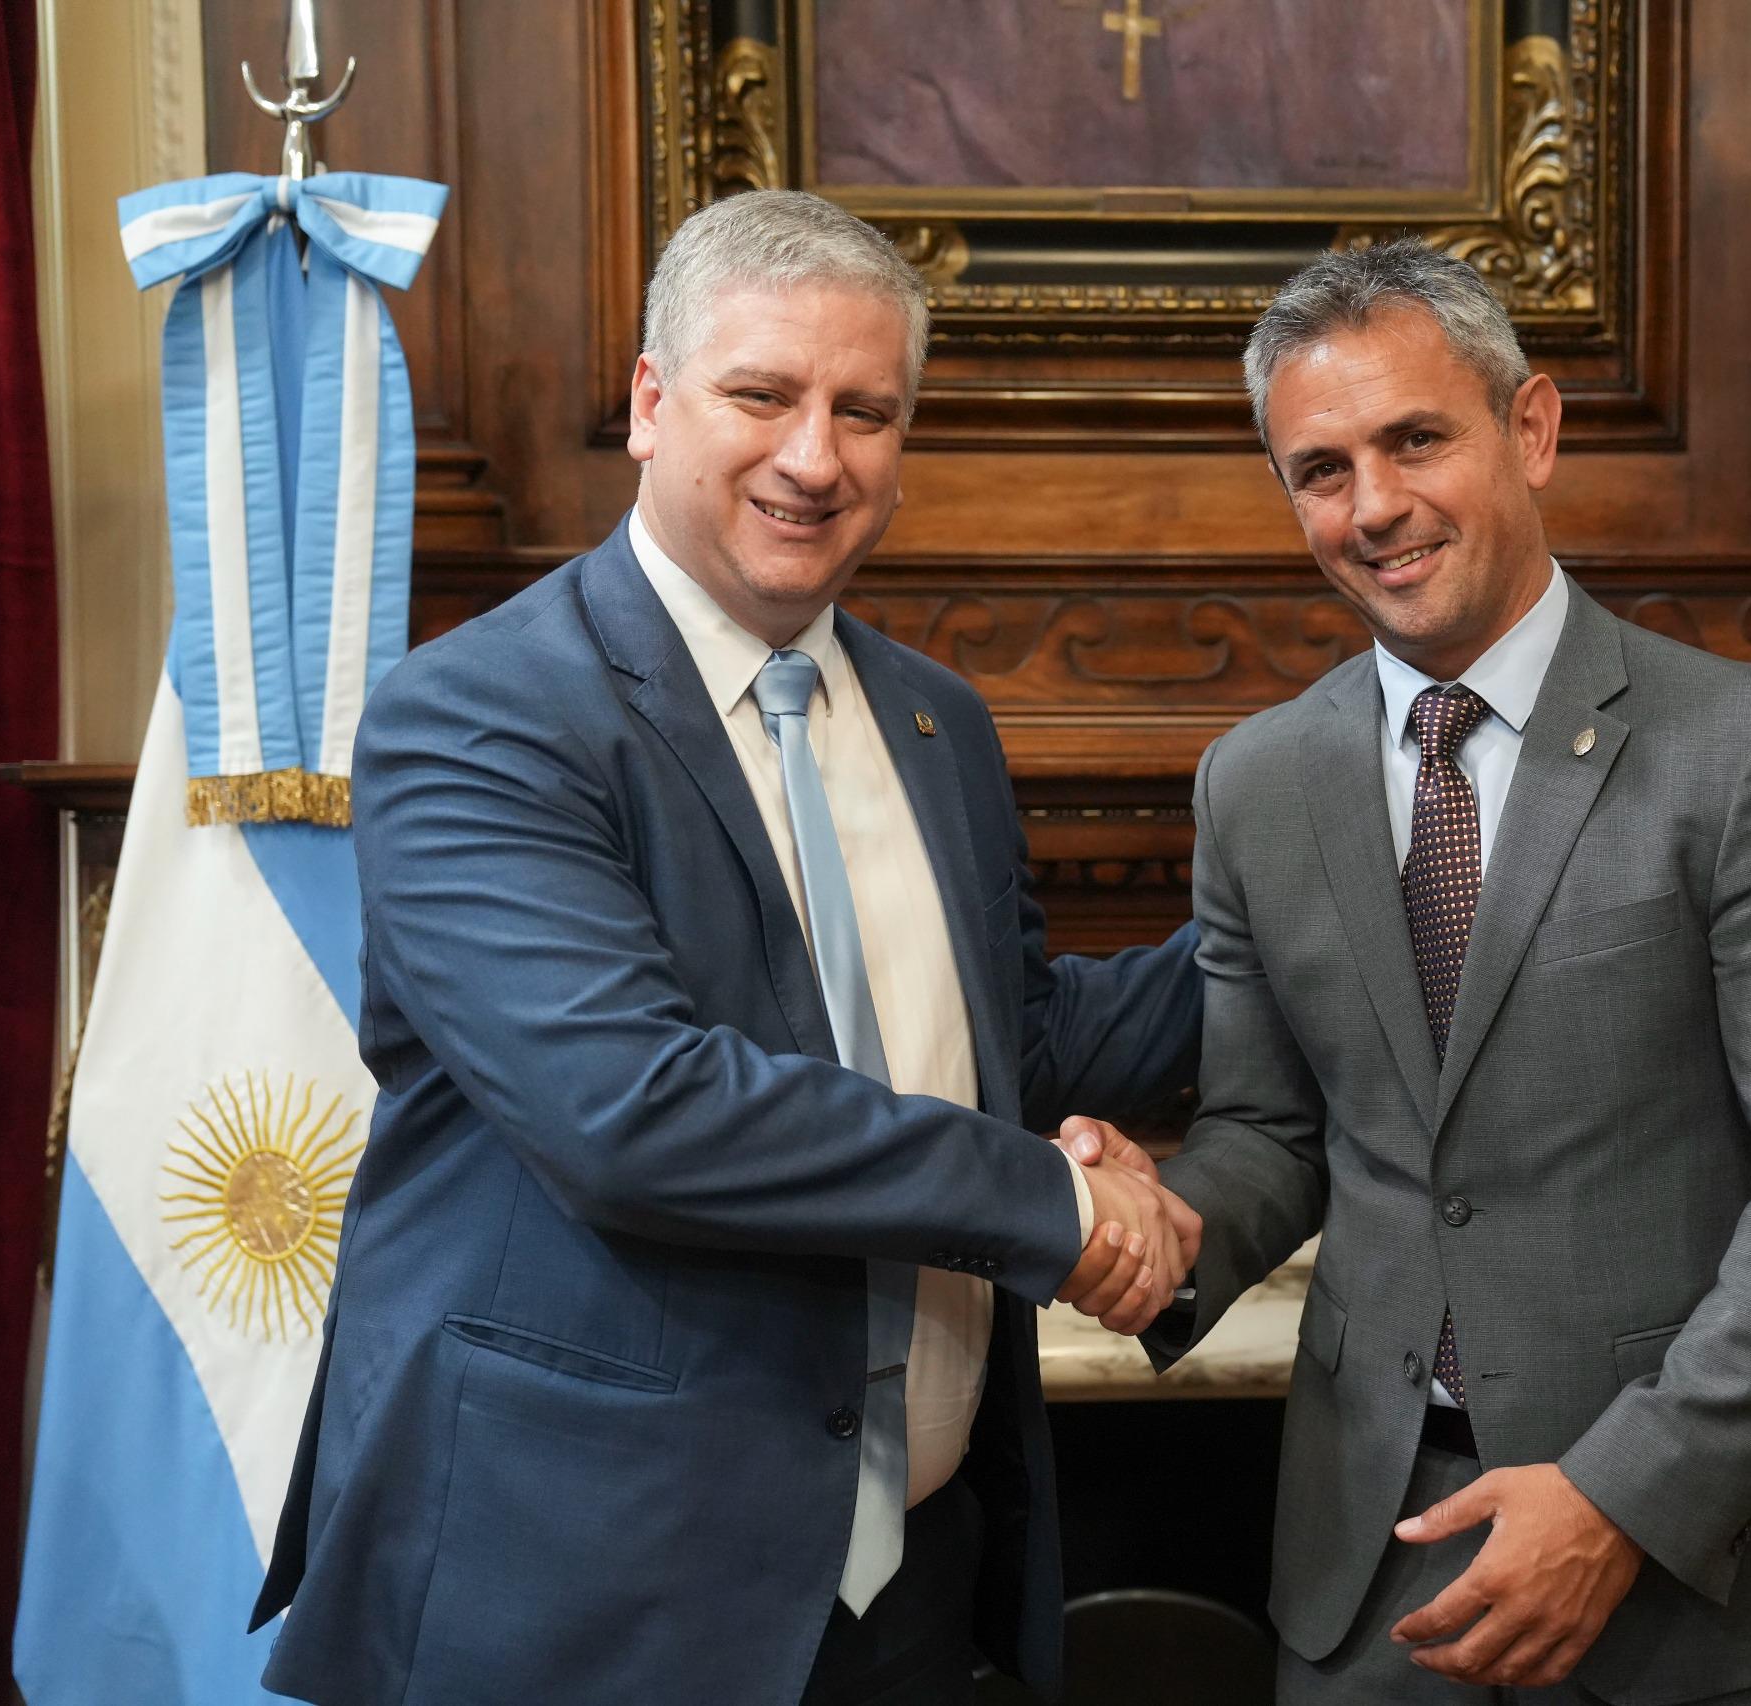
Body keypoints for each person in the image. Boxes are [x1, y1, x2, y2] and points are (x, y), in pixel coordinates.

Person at [251, 190, 1200, 1706]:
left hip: (916, 1584)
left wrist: (1348, 890)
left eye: (866, 410)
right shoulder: (484, 714)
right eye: (762, 393)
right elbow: (639, 1109)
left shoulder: (937, 721)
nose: (814, 458)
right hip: (583, 1590)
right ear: (649, 402)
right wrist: (1054, 1195)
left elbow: (1008, 1036)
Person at [1116, 240, 1751, 1703]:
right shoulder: (1254, 781)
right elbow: (1272, 1136)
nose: (1373, 507)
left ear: (1533, 428)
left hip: (1702, 1570)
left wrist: (1623, 1494)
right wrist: (1143, 1224)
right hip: (1377, 1572)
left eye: (1415, 439)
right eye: (1320, 468)